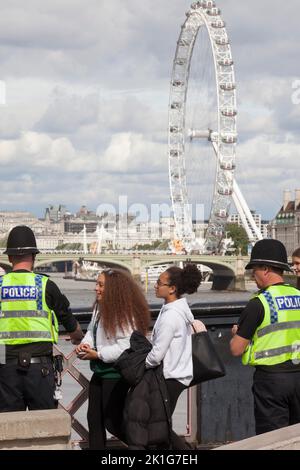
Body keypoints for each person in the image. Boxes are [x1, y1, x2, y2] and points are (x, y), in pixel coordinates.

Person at [0, 225, 83, 412]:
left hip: (5, 367)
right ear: (34, 256)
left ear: (9, 257)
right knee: (45, 425)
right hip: (40, 369)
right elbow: (70, 324)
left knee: (8, 430)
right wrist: (78, 337)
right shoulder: (46, 285)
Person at [230, 239, 300, 435]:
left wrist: (238, 334)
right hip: (298, 376)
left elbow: (236, 349)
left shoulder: (259, 303)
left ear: (266, 269)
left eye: (255, 269)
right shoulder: (298, 295)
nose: (253, 274)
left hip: (272, 382)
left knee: (272, 440)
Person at [76, 268, 151, 450]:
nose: (96, 288)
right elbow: (91, 332)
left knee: (112, 421)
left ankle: (147, 448)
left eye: (101, 285)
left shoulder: (124, 313)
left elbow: (126, 346)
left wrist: (98, 354)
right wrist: (85, 345)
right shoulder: (100, 308)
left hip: (115, 374)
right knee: (94, 419)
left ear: (114, 289)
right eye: (97, 284)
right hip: (100, 372)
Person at [145, 263, 204, 449]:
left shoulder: (171, 316)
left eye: (159, 282)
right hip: (178, 375)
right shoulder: (179, 310)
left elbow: (157, 355)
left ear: (172, 289)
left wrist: (141, 364)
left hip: (170, 376)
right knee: (159, 424)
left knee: (158, 426)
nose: (155, 285)